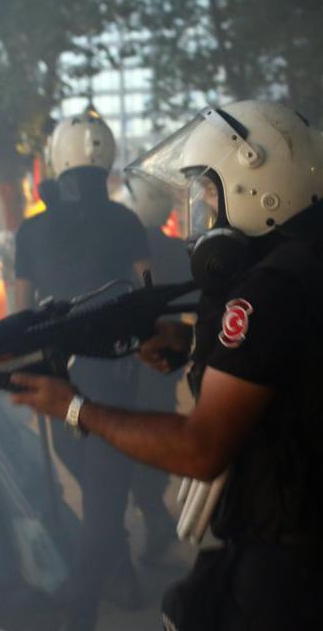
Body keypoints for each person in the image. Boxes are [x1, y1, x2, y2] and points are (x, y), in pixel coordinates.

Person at [12, 100, 323, 630]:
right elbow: (305, 362)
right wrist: (194, 342)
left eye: (209, 192)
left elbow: (201, 449)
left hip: (298, 572)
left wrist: (76, 408)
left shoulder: (268, 290)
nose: (204, 208)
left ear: (260, 189)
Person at [14, 109, 151, 630]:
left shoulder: (30, 230)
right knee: (103, 493)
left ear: (58, 160)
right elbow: (149, 293)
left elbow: (20, 313)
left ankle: (80, 606)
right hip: (113, 375)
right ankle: (115, 574)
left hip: (55, 377)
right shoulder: (126, 221)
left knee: (95, 488)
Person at [124, 176, 192, 562]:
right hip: (167, 358)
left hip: (134, 360)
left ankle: (151, 514)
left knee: (133, 438)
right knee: (156, 433)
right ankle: (153, 512)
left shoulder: (123, 248)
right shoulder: (177, 250)